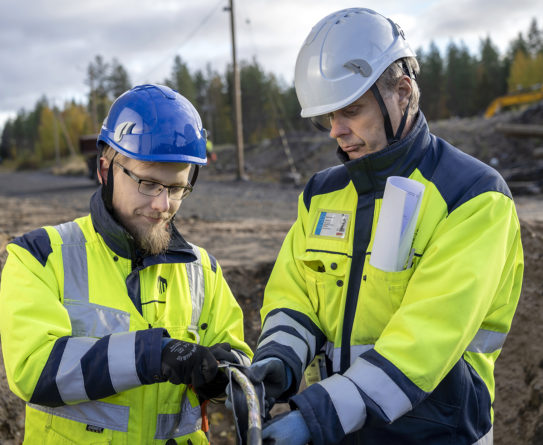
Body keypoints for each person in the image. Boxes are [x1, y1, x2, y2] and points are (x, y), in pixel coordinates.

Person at [243, 8, 524, 445]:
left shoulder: (472, 196)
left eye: (351, 111)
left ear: (402, 92)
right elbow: (295, 294)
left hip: (438, 434)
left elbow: (425, 339)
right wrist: (279, 359)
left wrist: (315, 416)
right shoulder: (321, 194)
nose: (336, 131)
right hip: (345, 432)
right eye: (326, 118)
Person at [0, 84, 252, 444]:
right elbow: (35, 370)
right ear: (105, 169)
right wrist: (154, 354)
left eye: (177, 188)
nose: (163, 205)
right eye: (149, 184)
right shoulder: (42, 256)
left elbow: (240, 365)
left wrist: (224, 374)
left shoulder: (204, 272)